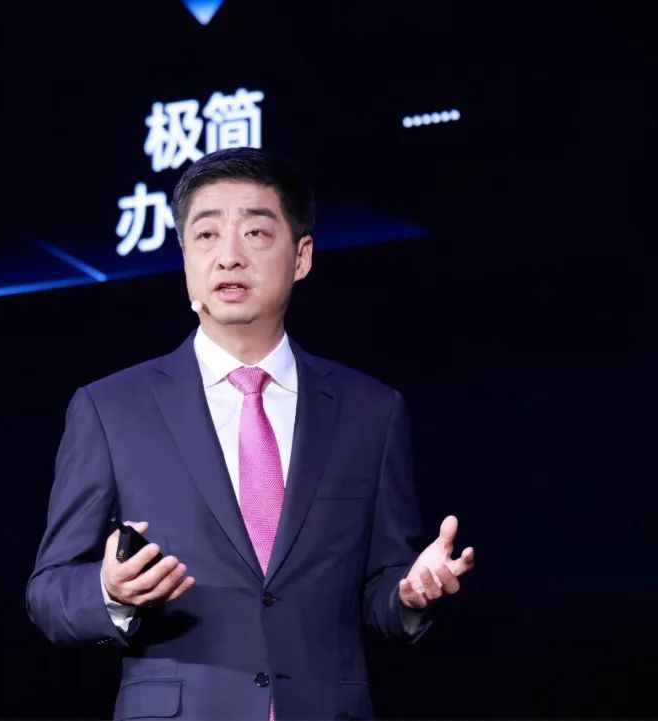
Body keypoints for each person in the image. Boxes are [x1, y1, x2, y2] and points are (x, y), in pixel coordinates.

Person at [26, 148, 475, 720]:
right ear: (185, 255)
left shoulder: (371, 411)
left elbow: (380, 589)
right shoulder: (111, 408)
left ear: (301, 256)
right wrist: (110, 592)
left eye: (256, 233)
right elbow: (49, 593)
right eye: (207, 235)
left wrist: (411, 593)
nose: (229, 256)